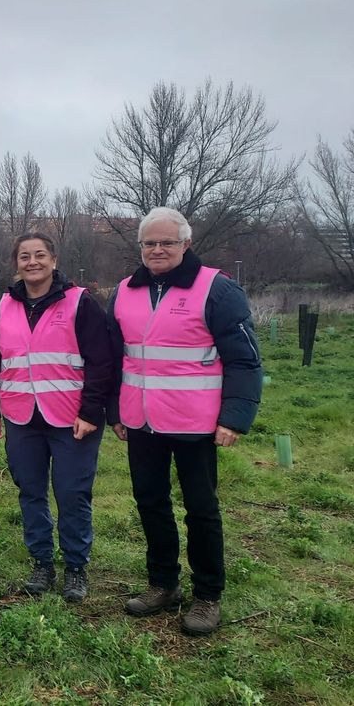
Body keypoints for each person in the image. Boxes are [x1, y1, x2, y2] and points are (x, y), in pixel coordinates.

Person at [110, 207, 262, 636]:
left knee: (201, 510)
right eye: (149, 243)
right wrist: (113, 412)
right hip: (140, 422)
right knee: (150, 503)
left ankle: (208, 595)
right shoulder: (124, 291)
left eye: (167, 242)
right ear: (140, 247)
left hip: (196, 424)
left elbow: (245, 359)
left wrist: (234, 417)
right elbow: (111, 357)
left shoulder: (217, 289)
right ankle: (163, 584)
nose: (157, 250)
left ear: (185, 244)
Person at [0, 232, 116, 603]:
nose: (32, 262)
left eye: (40, 255)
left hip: (72, 419)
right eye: (25, 256)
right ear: (16, 263)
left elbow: (102, 362)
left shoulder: (79, 303)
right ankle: (41, 561)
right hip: (22, 418)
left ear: (54, 260)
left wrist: (90, 412)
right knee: (31, 492)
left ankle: (75, 567)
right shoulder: (5, 304)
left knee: (72, 494)